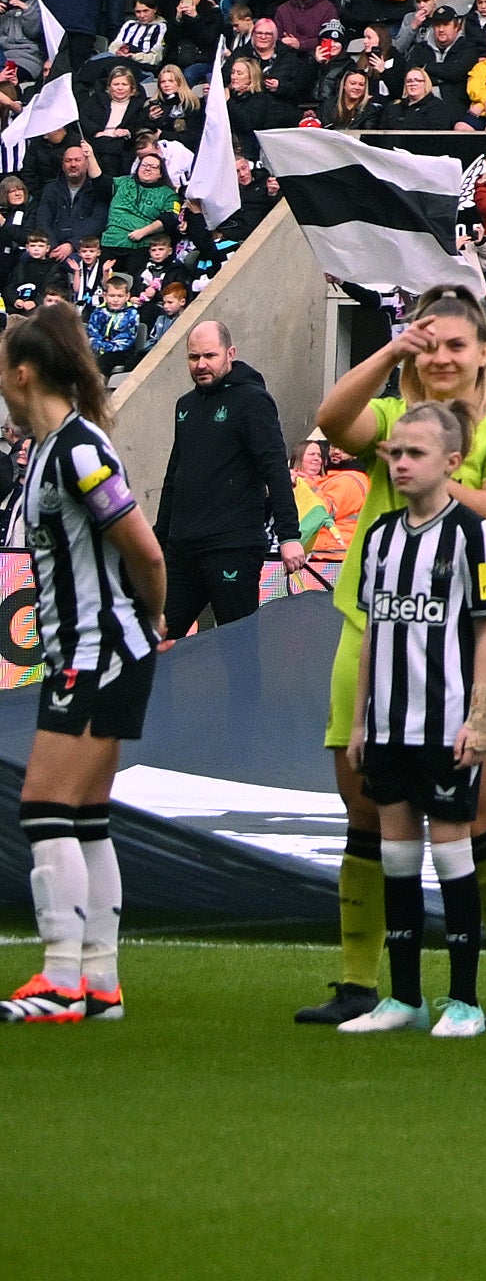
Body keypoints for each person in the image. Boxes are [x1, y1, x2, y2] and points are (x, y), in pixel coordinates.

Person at [301, 292, 486, 1032]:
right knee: (366, 808)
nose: (440, 358)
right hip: (369, 634)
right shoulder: (396, 424)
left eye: (455, 346)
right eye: (428, 345)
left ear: (481, 356)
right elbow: (335, 418)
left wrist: (432, 472)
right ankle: (362, 981)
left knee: (475, 818)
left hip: (466, 643)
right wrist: (388, 354)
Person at [9, 299, 171, 1022]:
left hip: (96, 651)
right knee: (84, 817)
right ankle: (99, 982)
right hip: (84, 650)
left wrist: (153, 611)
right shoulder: (47, 449)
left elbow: (143, 546)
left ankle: (61, 978)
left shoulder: (78, 449)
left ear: (22, 373)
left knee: (45, 808)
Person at [341, 405, 486, 1035]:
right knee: (395, 856)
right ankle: (405, 998)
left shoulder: (473, 534)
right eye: (394, 453)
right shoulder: (381, 536)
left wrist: (480, 718)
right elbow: (369, 632)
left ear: (451, 462)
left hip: (444, 727)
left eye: (414, 453)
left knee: (451, 855)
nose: (400, 463)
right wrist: (361, 720)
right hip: (388, 727)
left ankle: (465, 1000)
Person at [151, 318, 288, 638]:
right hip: (182, 551)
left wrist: (289, 534)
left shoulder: (252, 400)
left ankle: (246, 693)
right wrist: (160, 537)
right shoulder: (184, 406)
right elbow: (174, 476)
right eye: (193, 357)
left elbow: (275, 466)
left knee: (237, 649)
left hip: (232, 547)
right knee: (156, 642)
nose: (201, 365)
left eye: (209, 356)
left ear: (230, 354)